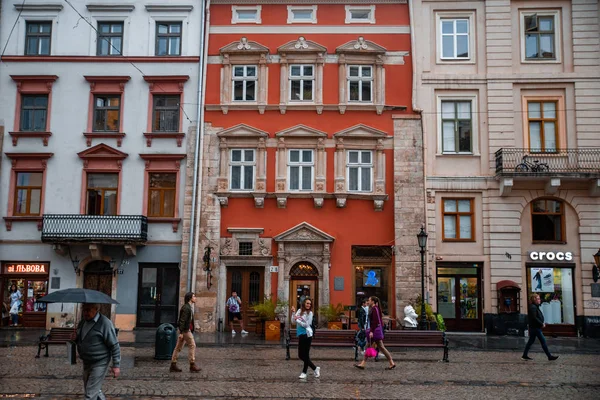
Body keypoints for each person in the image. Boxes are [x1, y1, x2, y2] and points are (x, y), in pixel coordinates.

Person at [71, 303, 120, 400]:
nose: (85, 313)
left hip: (100, 361)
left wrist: (116, 365)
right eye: (84, 309)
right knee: (92, 390)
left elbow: (114, 345)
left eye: (88, 310)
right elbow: (81, 339)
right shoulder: (82, 322)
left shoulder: (105, 323)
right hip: (87, 361)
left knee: (90, 394)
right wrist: (75, 338)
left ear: (96, 309)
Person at [354, 296, 395, 370]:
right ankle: (391, 362)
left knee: (369, 346)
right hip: (376, 331)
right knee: (380, 347)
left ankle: (363, 363)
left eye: (369, 300)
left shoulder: (374, 309)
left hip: (374, 331)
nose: (368, 302)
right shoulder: (376, 308)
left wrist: (371, 331)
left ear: (373, 301)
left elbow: (375, 322)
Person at [170, 292, 202, 372]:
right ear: (190, 298)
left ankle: (173, 364)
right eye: (194, 296)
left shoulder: (188, 307)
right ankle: (192, 364)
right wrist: (181, 332)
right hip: (185, 331)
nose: (195, 298)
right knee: (192, 345)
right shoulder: (186, 308)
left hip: (186, 330)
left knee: (178, 348)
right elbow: (182, 321)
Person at [522, 294, 559, 361]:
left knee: (530, 341)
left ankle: (524, 355)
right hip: (535, 328)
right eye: (538, 299)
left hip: (534, 327)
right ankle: (549, 356)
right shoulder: (533, 307)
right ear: (534, 300)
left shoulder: (535, 307)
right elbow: (534, 317)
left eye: (539, 299)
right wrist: (541, 323)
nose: (539, 300)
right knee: (543, 341)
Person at [291, 298, 320, 379]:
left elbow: (307, 324)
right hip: (300, 334)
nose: (308, 305)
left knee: (306, 355)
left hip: (307, 334)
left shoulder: (310, 313)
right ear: (304, 303)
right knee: (300, 355)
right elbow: (293, 321)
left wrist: (298, 321)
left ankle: (304, 372)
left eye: (310, 304)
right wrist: (293, 313)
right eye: (307, 303)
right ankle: (315, 368)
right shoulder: (299, 311)